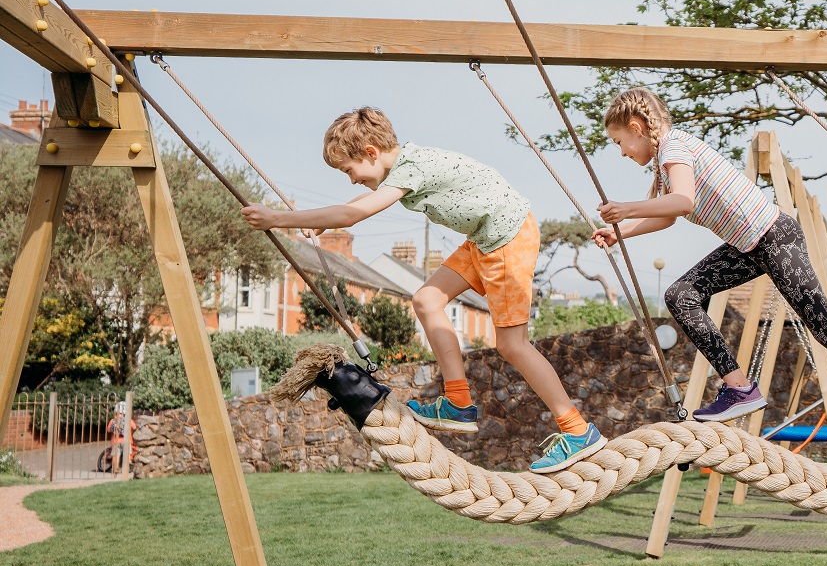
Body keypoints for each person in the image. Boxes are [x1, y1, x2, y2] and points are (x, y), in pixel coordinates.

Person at [241, 107, 603, 473]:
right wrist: (317, 224)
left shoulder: (411, 167)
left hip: (507, 238)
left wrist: (278, 219)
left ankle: (577, 430)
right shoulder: (406, 164)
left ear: (370, 152)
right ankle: (458, 403)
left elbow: (352, 215)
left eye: (349, 170)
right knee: (427, 299)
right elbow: (353, 206)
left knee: (512, 344)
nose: (351, 180)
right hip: (484, 239)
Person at [590, 87, 827, 459]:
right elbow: (666, 214)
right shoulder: (667, 156)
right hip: (751, 246)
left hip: (774, 237)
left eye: (620, 142)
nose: (623, 152)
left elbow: (684, 200)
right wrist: (620, 232)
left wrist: (626, 209)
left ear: (637, 127)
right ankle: (739, 387)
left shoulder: (674, 148)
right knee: (682, 295)